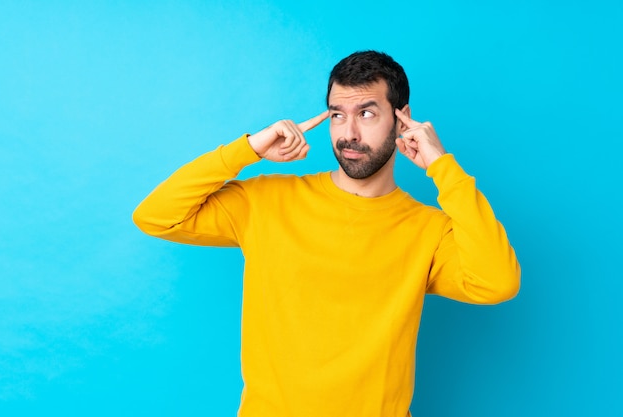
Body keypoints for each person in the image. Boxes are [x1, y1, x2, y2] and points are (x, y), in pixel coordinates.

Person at [133, 50, 520, 417]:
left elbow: (497, 283)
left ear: (403, 119)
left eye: (366, 113)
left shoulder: (428, 229)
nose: (348, 132)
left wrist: (443, 167)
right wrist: (247, 149)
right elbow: (156, 216)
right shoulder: (267, 201)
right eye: (338, 114)